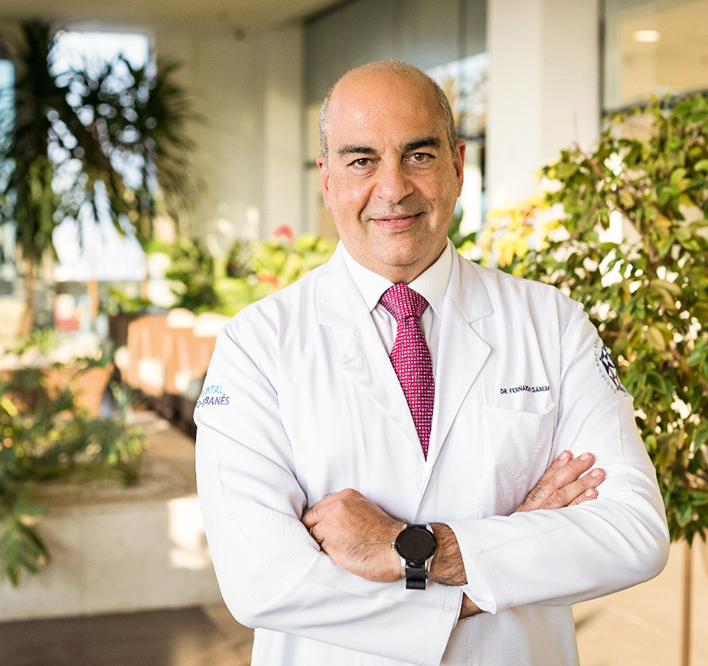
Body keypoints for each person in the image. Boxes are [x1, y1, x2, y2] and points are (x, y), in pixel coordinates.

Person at [195, 60, 669, 666]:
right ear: (328, 178)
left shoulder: (551, 323)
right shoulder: (255, 345)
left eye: (418, 155)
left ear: (458, 166)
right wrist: (503, 558)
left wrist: (413, 549)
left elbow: (632, 533)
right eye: (362, 159)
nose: (392, 188)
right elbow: (265, 579)